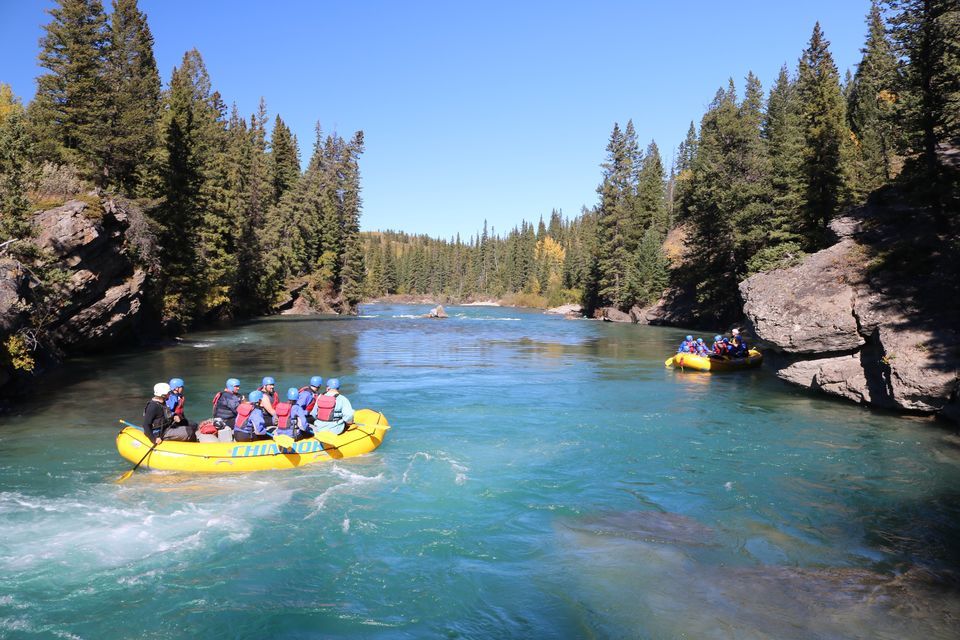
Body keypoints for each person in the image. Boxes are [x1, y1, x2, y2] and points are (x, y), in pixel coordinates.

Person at [210, 378, 242, 442]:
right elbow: (239, 410)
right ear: (230, 387)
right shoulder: (229, 397)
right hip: (226, 421)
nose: (238, 388)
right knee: (245, 422)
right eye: (236, 386)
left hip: (221, 419)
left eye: (238, 386)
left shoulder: (224, 394)